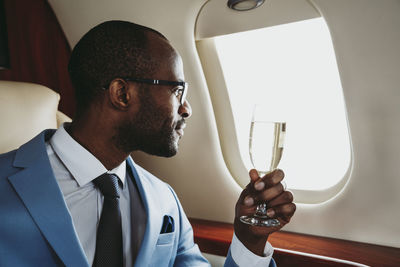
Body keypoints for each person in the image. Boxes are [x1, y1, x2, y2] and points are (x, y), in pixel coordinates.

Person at [0, 21, 295, 266]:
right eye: (177, 90)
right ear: (122, 94)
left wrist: (249, 239)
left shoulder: (164, 200)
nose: (186, 108)